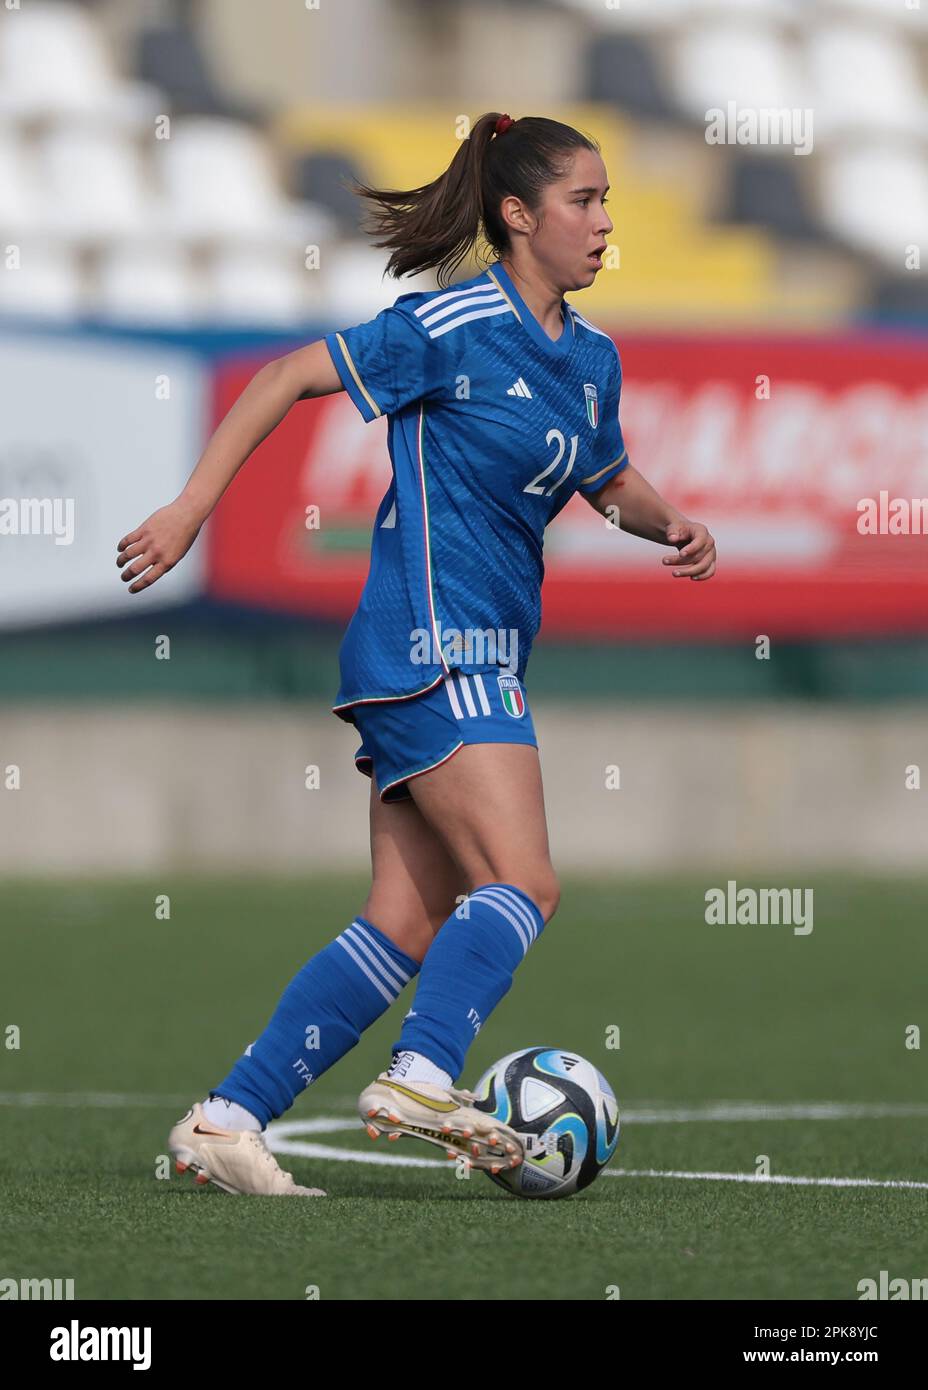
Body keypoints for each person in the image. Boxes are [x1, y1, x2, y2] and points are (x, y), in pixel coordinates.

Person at [117, 112, 716, 1196]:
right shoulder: (446, 323)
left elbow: (606, 476)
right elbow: (282, 377)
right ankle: (426, 1071)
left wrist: (669, 520)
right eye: (583, 200)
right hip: (434, 644)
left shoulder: (590, 358)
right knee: (524, 882)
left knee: (404, 918)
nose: (605, 220)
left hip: (470, 655)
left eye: (607, 199)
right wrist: (189, 509)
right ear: (517, 214)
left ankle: (227, 1116)